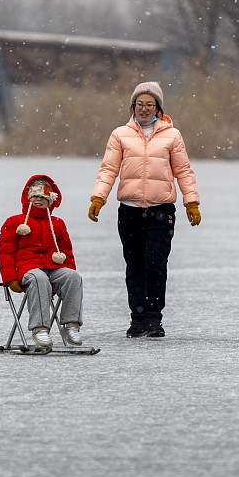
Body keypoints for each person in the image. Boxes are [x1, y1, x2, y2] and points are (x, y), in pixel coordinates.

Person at [88, 81, 201, 339]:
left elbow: (183, 170)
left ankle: (154, 318)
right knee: (135, 264)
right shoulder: (120, 135)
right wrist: (98, 198)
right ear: (133, 106)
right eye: (140, 104)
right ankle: (137, 318)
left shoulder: (172, 136)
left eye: (150, 104)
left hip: (161, 210)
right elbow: (108, 169)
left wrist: (191, 202)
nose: (144, 109)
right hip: (129, 212)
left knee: (156, 264)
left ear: (158, 107)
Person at [0, 174, 83, 348]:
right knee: (39, 278)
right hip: (27, 269)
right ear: (28, 198)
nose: (39, 200)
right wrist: (10, 279)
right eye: (35, 196)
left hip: (53, 267)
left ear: (50, 201)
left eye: (43, 197)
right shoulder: (15, 222)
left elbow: (67, 252)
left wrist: (69, 269)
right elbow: (5, 253)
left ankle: (71, 326)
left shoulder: (58, 223)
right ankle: (40, 328)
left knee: (73, 277)